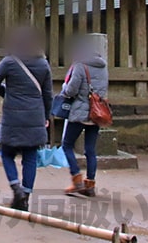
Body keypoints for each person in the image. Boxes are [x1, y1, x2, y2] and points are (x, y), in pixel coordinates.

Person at [0, 26, 52, 211]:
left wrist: (6, 93)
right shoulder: (43, 64)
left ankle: (16, 188)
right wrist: (46, 116)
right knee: (30, 157)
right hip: (35, 115)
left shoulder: (9, 61)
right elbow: (48, 95)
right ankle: (26, 195)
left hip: (13, 116)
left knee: (6, 153)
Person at [60, 37, 109, 197]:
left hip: (80, 112)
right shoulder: (103, 66)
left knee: (66, 145)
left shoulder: (80, 66)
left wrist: (64, 88)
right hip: (96, 114)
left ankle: (76, 179)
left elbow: (71, 91)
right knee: (90, 150)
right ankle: (90, 185)